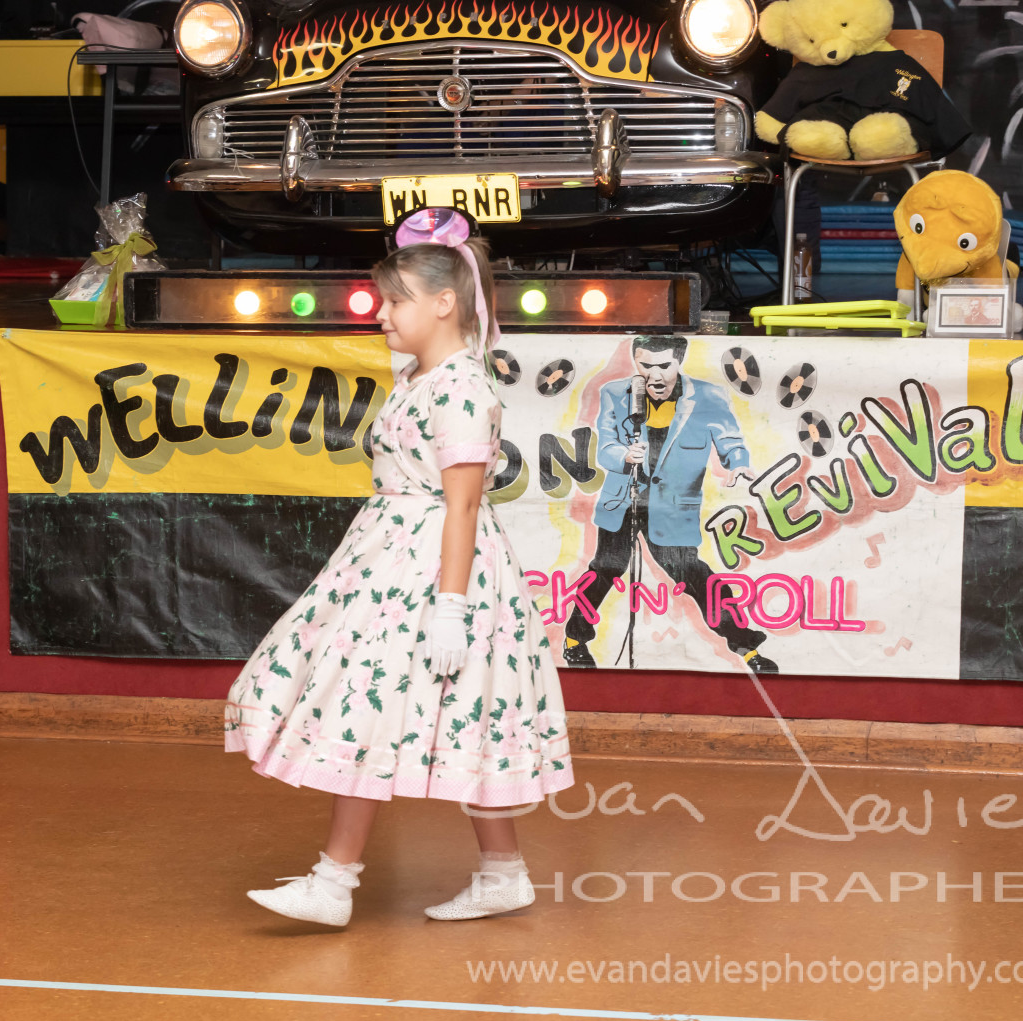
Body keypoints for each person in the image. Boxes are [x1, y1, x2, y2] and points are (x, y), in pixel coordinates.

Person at [225, 207, 574, 927]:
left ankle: (335, 882)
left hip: (432, 570)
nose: (380, 314)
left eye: (395, 300)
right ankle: (498, 873)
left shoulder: (461, 389)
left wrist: (450, 607)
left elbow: (464, 506)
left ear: (444, 303)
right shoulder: (423, 377)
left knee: (372, 705)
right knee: (406, 710)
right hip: (390, 561)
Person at [563, 335, 779, 673]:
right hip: (623, 501)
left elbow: (729, 437)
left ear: (679, 361)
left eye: (664, 365)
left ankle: (746, 647)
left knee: (693, 573)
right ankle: (574, 640)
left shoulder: (708, 396)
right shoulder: (616, 393)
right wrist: (623, 455)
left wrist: (737, 462)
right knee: (605, 567)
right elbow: (606, 445)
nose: (655, 375)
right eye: (646, 366)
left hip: (673, 507)